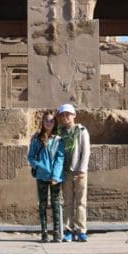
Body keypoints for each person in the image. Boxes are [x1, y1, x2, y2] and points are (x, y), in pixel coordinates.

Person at [27, 110, 65, 243]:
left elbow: (60, 158)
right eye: (46, 120)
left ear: (54, 123)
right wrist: (39, 166)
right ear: (42, 122)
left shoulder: (58, 139)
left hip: (55, 177)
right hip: (42, 176)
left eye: (51, 120)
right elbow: (30, 157)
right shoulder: (37, 139)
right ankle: (44, 232)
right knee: (42, 204)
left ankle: (56, 232)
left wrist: (55, 175)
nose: (49, 123)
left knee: (56, 204)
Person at [57, 103, 90, 242]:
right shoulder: (59, 132)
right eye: (63, 115)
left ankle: (81, 230)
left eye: (68, 114)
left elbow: (86, 151)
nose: (65, 117)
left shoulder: (81, 130)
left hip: (79, 171)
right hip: (65, 171)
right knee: (68, 202)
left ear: (74, 115)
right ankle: (68, 230)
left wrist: (82, 169)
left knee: (81, 202)